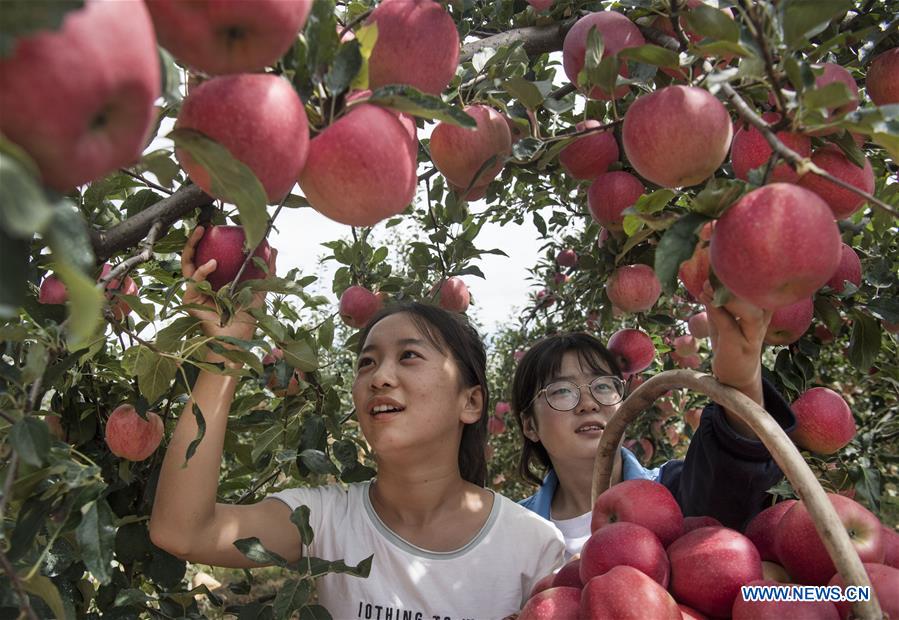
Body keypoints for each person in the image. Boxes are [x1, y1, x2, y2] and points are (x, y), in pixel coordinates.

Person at [150, 227, 565, 619]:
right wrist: (225, 353)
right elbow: (183, 530)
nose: (379, 377)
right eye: (366, 362)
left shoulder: (533, 548)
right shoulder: (323, 520)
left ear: (471, 401)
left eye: (409, 356)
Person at [512, 284, 797, 558]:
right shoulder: (512, 536)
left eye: (602, 386)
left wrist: (741, 381)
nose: (589, 403)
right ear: (530, 426)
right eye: (562, 390)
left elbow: (728, 478)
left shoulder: (670, 491)